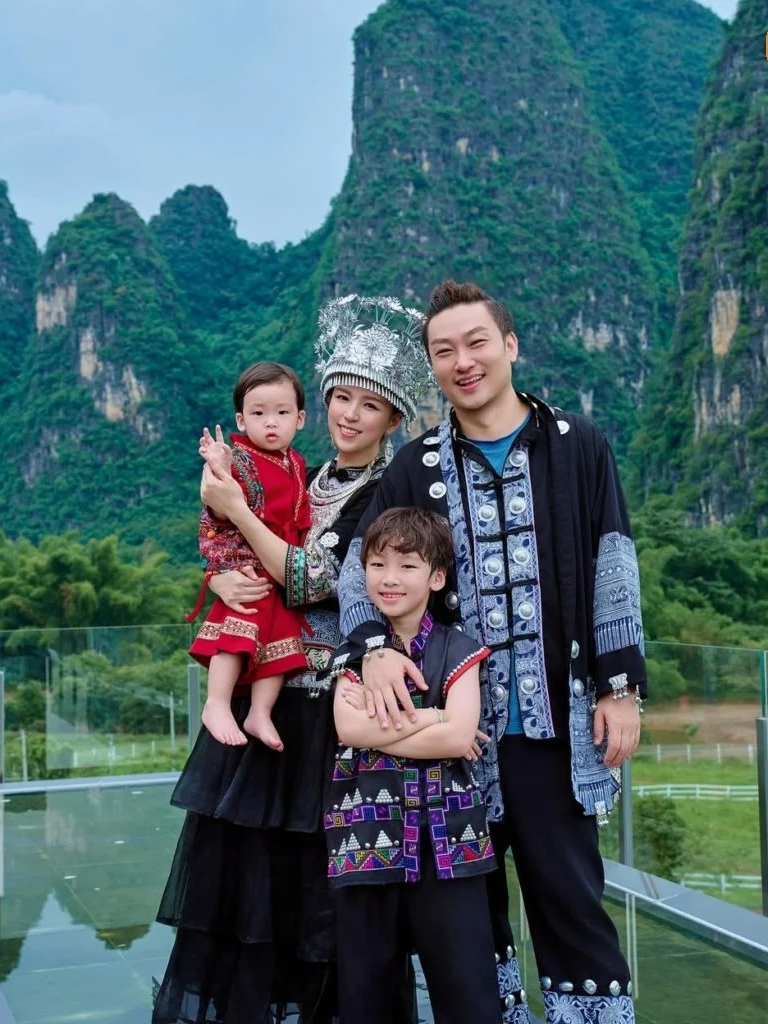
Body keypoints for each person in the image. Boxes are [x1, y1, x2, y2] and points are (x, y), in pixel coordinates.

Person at [337, 281, 646, 1024]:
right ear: (433, 368)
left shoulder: (576, 445)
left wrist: (620, 688)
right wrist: (373, 648)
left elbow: (612, 563)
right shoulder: (414, 468)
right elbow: (357, 569)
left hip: (553, 729)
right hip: (450, 737)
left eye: (476, 343)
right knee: (472, 925)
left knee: (572, 906)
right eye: (444, 351)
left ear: (509, 346)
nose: (463, 362)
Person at [153, 295, 433, 1024]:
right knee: (253, 886)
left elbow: (312, 579)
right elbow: (243, 551)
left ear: (392, 420)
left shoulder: (386, 492)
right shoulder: (302, 474)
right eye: (341, 397)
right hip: (272, 695)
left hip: (333, 707)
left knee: (322, 890)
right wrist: (219, 573)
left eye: (369, 405)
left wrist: (237, 511)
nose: (350, 415)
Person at [328, 507, 500, 1024]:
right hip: (366, 837)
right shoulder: (354, 654)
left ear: (436, 577)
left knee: (467, 991)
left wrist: (406, 728)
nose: (390, 578)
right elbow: (349, 730)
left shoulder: (460, 648)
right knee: (366, 993)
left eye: (407, 566)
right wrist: (437, 717)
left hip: (449, 839)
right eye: (377, 565)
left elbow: (460, 737)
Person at [189, 362, 310, 750]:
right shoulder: (240, 460)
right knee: (238, 634)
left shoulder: (297, 462)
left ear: (300, 418)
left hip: (281, 570)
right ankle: (216, 702)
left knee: (282, 644)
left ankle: (260, 712)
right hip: (249, 567)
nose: (270, 422)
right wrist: (220, 468)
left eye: (282, 412)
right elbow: (219, 509)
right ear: (241, 420)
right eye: (258, 414)